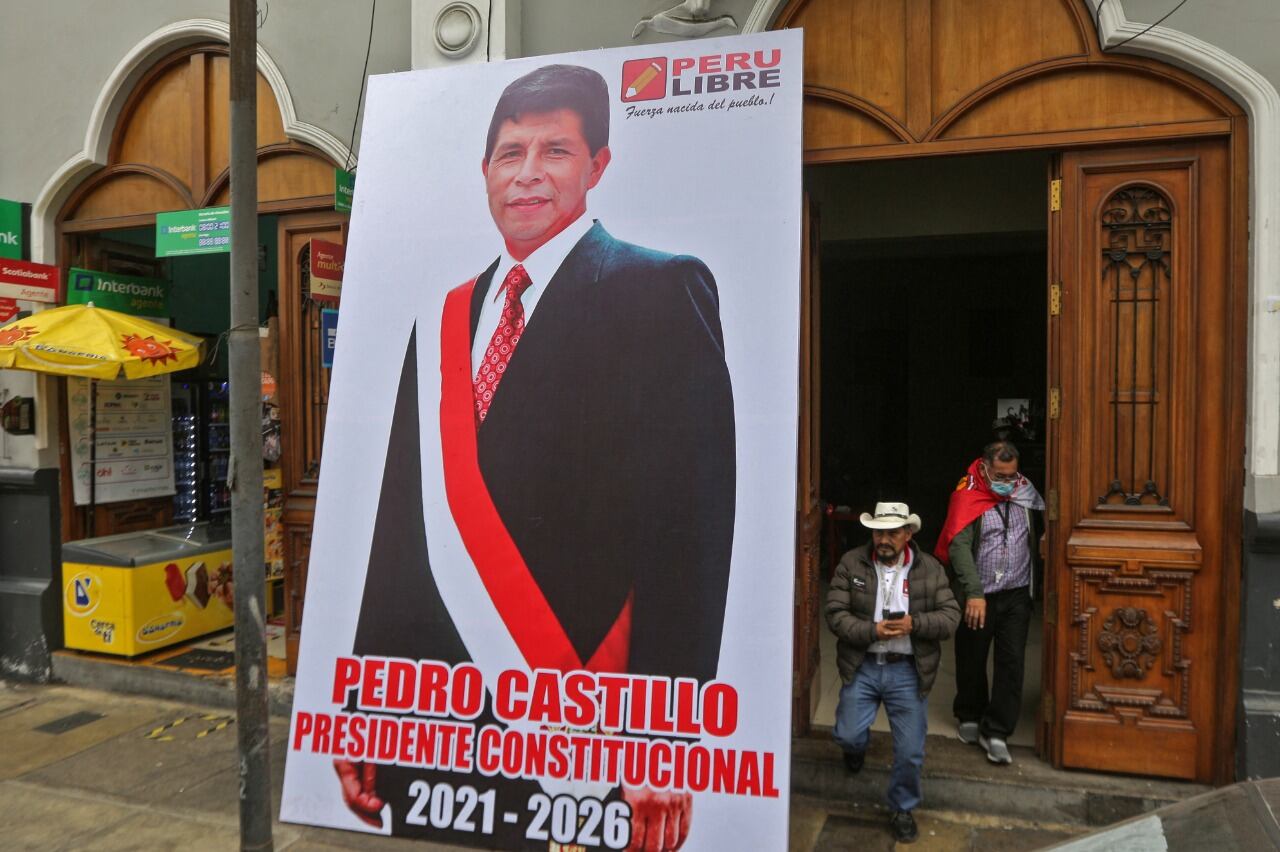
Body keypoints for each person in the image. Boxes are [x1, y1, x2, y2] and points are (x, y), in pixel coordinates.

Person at [334, 63, 736, 849]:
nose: (527, 174)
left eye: (555, 150)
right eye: (510, 153)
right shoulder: (443, 320)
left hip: (581, 721)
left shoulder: (660, 289)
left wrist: (663, 731)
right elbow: (401, 530)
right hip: (437, 719)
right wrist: (366, 707)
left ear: (598, 165)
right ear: (484, 170)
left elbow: (688, 529)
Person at [826, 502, 960, 844]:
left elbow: (950, 617)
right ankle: (854, 748)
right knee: (847, 735)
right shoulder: (852, 563)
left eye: (892, 533)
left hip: (907, 671)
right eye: (878, 532)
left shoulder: (930, 568)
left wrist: (916, 624)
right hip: (864, 665)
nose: (883, 540)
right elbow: (835, 614)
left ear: (908, 534)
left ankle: (902, 808)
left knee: (911, 751)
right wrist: (872, 631)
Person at [934, 441, 1044, 765]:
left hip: (1017, 593)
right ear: (984, 469)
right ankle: (970, 712)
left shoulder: (1026, 495)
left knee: (1012, 663)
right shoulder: (967, 495)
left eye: (1012, 476)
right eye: (1000, 476)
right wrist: (974, 593)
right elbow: (958, 546)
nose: (1007, 483)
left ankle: (996, 730)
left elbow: (1040, 533)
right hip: (980, 594)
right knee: (972, 655)